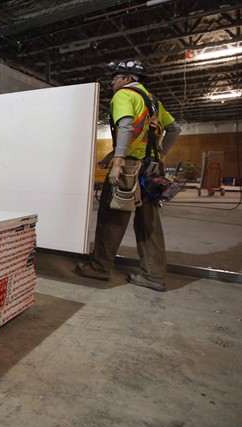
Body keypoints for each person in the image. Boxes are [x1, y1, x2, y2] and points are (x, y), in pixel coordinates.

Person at [76, 60, 181, 292]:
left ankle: (100, 268)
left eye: (115, 77)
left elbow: (125, 126)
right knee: (148, 222)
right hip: (152, 170)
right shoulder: (153, 102)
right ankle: (154, 276)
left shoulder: (124, 95)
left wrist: (117, 162)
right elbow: (174, 129)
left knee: (111, 218)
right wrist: (161, 152)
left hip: (129, 170)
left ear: (128, 78)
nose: (112, 82)